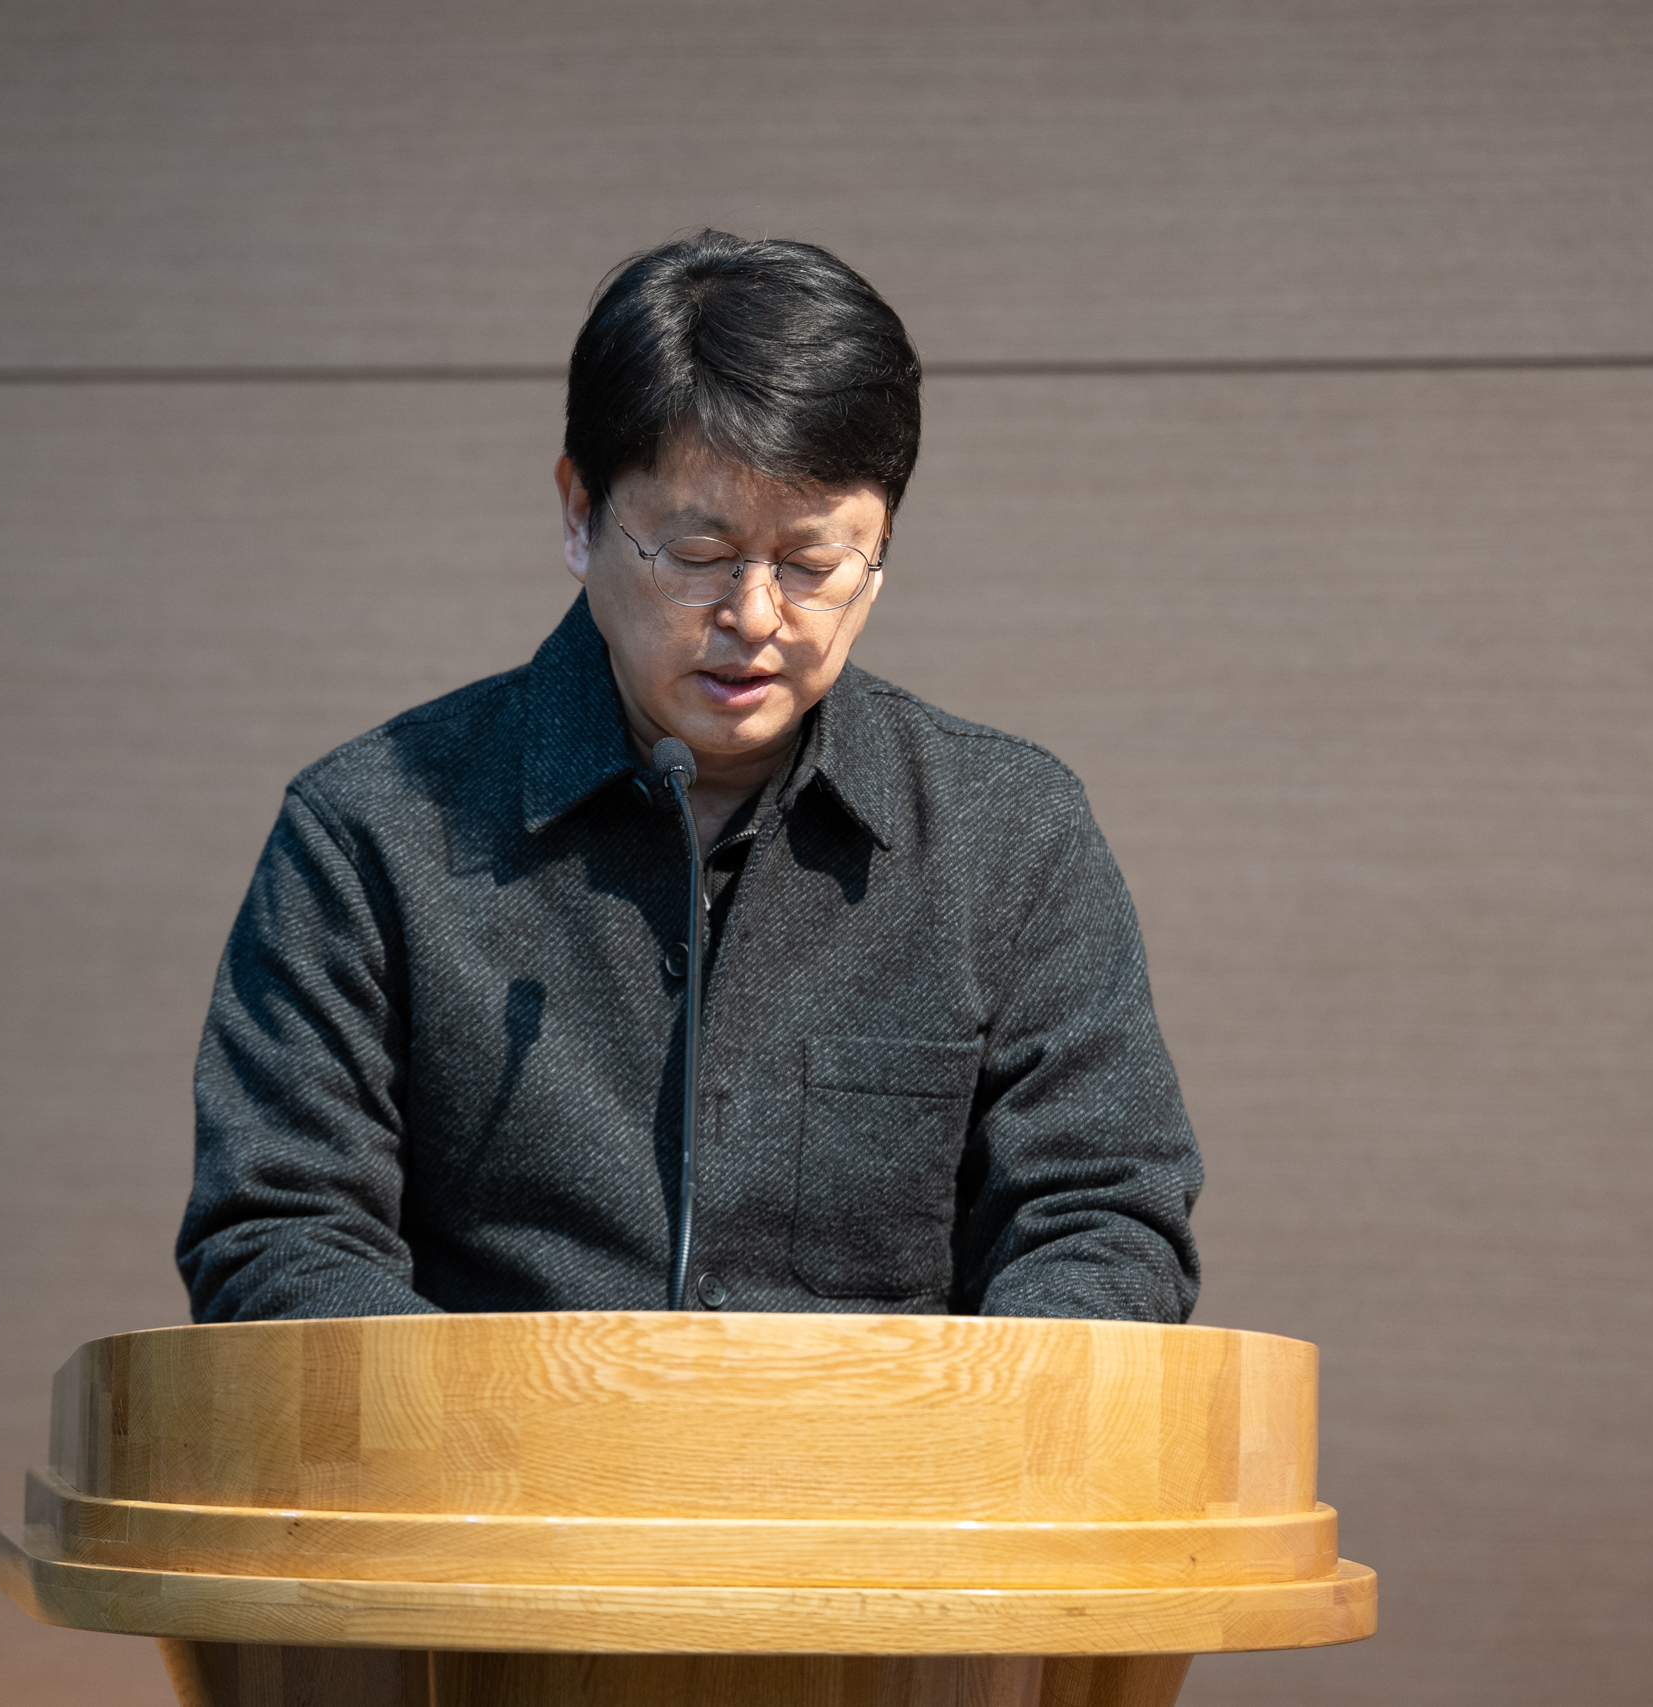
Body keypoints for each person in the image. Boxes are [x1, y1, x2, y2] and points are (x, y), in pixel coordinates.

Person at [178, 231, 1201, 1323]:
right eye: (701, 557)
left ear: (881, 550)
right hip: (497, 1440)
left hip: (883, 1441)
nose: (755, 617)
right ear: (581, 514)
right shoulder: (370, 831)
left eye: (811, 564)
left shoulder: (1009, 834)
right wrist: (514, 1419)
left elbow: (1101, 1217)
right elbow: (280, 1232)